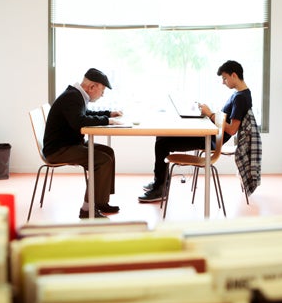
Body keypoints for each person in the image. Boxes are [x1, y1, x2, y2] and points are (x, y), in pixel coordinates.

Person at [139, 60, 253, 202]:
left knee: (162, 143)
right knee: (161, 137)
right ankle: (160, 182)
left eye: (224, 78)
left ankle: (160, 188)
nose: (223, 82)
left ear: (234, 75)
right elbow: (224, 120)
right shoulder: (239, 95)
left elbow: (232, 130)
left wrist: (210, 114)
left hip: (210, 140)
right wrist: (208, 114)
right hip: (209, 134)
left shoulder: (241, 98)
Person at [43, 68, 123, 218]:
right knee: (102, 160)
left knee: (108, 152)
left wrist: (107, 114)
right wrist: (108, 121)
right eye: (103, 90)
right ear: (92, 87)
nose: (103, 94)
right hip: (59, 150)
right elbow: (79, 122)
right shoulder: (72, 97)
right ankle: (87, 210)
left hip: (69, 144)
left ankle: (100, 201)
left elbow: (84, 114)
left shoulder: (75, 95)